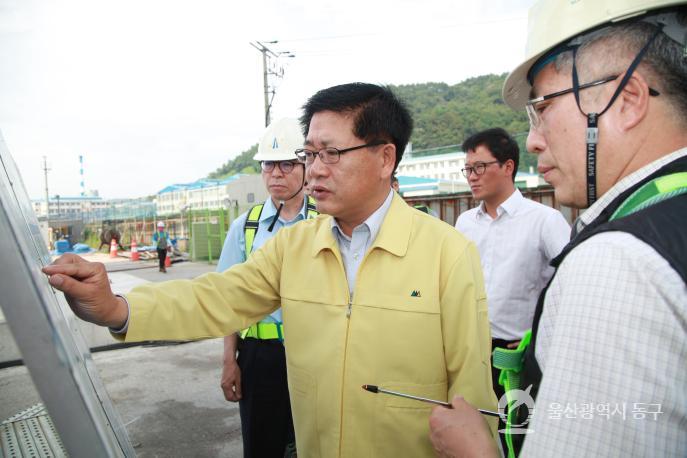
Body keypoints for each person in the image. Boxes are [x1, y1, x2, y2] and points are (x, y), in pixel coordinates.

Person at [43, 82, 497, 457]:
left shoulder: (447, 254)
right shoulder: (294, 247)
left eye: (331, 153)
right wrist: (117, 308)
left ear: (385, 158)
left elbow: (473, 400)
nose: (314, 171)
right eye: (310, 155)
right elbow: (215, 298)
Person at [430, 1, 687, 457]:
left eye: (543, 108)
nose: (533, 139)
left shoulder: (617, 263)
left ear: (626, 100)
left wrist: (475, 450)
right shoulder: (666, 222)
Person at [454, 127, 569, 441]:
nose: (471, 176)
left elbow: (569, 285)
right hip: (471, 352)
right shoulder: (464, 223)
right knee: (476, 433)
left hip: (519, 358)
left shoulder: (545, 221)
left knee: (516, 436)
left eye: (479, 167)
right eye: (467, 169)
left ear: (507, 167)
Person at [219, 118, 317, 458]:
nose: (275, 173)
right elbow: (229, 299)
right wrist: (229, 361)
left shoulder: (326, 222)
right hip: (259, 356)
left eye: (287, 164)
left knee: (317, 442)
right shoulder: (244, 227)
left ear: (306, 167)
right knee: (262, 447)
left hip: (317, 351)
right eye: (268, 165)